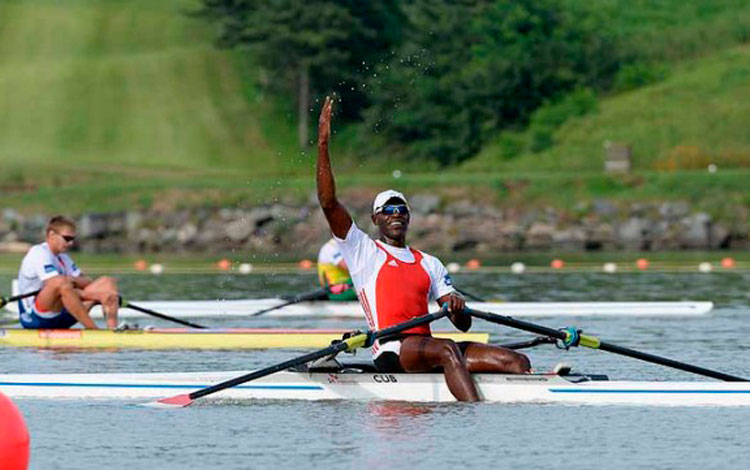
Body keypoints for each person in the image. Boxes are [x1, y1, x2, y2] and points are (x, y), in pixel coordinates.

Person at [316, 96, 531, 402]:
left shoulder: (429, 263)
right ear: (375, 219)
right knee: (446, 350)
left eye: (401, 209)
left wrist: (457, 307)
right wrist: (323, 146)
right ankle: (474, 415)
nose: (396, 214)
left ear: (409, 216)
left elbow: (464, 326)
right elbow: (328, 203)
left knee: (516, 361)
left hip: (424, 347)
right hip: (390, 348)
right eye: (388, 210)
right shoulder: (363, 252)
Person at [16, 215, 120, 329]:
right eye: (67, 238)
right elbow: (58, 284)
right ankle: (94, 330)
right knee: (60, 282)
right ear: (51, 235)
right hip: (36, 318)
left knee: (107, 282)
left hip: (62, 314)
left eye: (72, 239)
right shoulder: (38, 253)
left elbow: (87, 281)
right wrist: (94, 295)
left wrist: (73, 281)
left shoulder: (63, 257)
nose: (70, 243)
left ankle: (113, 330)